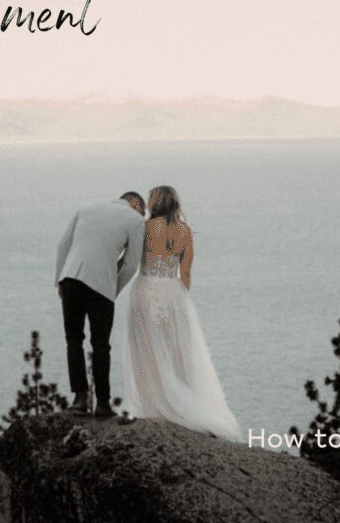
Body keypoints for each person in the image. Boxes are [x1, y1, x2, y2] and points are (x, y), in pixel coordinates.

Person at [117, 186, 242, 442]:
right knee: (175, 351)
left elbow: (129, 260)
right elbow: (186, 275)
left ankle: (153, 405)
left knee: (146, 350)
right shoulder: (185, 232)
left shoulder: (145, 228)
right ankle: (182, 403)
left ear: (155, 204)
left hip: (146, 291)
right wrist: (176, 299)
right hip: (173, 295)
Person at [56, 192, 146, 416]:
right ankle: (103, 404)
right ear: (136, 205)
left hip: (70, 279)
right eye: (143, 212)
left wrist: (59, 280)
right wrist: (112, 291)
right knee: (101, 345)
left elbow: (62, 246)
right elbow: (131, 264)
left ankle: (79, 399)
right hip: (101, 288)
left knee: (73, 340)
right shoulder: (135, 220)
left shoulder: (86, 207)